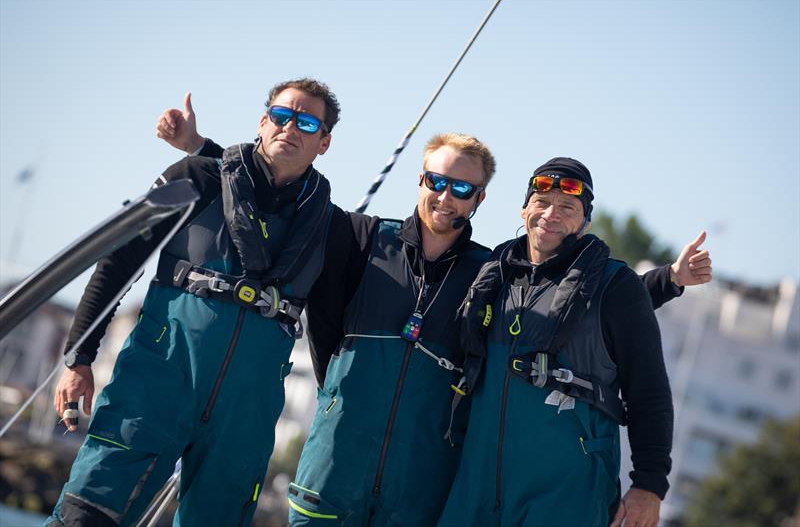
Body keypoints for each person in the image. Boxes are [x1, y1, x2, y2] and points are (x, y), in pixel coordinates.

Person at [157, 101, 710, 525]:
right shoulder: (382, 244)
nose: (446, 196)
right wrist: (201, 147)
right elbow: (281, 187)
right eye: (437, 181)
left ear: (480, 201)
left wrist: (669, 282)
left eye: (462, 188)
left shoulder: (497, 273)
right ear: (421, 180)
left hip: (474, 483)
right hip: (370, 471)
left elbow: (601, 312)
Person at [47, 78, 339, 527]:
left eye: (305, 122)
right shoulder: (196, 178)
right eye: (281, 116)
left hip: (245, 416)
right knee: (87, 516)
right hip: (155, 386)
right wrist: (78, 356)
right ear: (263, 122)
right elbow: (118, 261)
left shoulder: (331, 228)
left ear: (324, 141)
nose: (289, 128)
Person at [437, 157, 710, 527]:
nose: (551, 214)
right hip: (476, 486)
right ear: (523, 209)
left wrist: (649, 486)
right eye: (541, 202)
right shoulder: (493, 274)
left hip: (568, 493)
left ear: (585, 223)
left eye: (567, 207)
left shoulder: (616, 287)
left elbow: (650, 392)